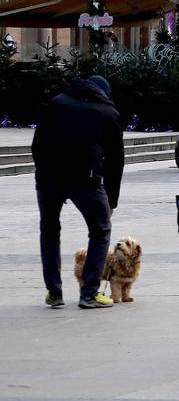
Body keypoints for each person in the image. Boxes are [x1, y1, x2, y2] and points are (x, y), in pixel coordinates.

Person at [32, 75, 123, 309]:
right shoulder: (107, 112)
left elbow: (37, 143)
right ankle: (89, 293)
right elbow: (115, 161)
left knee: (49, 229)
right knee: (100, 230)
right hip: (86, 179)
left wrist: (43, 174)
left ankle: (54, 292)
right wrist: (111, 200)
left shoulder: (58, 102)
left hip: (50, 178)